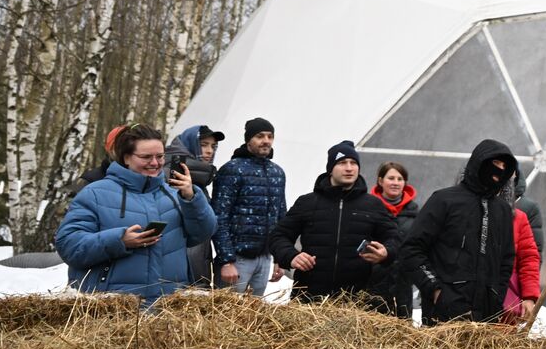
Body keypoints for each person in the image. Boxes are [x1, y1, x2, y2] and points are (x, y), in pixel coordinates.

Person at [54, 123, 217, 304]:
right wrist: (119, 241)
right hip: (113, 307)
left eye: (160, 156)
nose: (155, 163)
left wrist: (192, 198)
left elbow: (203, 233)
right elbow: (69, 245)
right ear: (126, 158)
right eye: (146, 157)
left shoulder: (173, 193)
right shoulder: (94, 194)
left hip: (167, 306)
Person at [402, 139, 518, 324]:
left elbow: (506, 259)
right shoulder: (444, 200)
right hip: (442, 318)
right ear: (479, 162)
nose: (500, 170)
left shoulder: (502, 211)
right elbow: (411, 249)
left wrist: (497, 295)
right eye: (496, 163)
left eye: (505, 166)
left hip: (485, 320)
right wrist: (435, 289)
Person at [268, 141, 398, 303]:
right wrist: (291, 256)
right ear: (330, 169)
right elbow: (278, 236)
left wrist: (386, 252)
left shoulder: (373, 205)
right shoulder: (307, 202)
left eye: (353, 163)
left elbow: (395, 238)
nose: (349, 168)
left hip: (355, 300)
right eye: (342, 163)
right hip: (309, 299)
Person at [211, 117, 286, 296]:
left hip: (265, 257)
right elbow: (219, 216)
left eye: (270, 136)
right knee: (226, 316)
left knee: (253, 318)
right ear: (248, 140)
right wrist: (226, 260)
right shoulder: (232, 169)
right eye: (260, 136)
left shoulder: (277, 172)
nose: (266, 141)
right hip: (237, 259)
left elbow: (281, 217)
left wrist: (281, 257)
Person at [165, 124, 225, 286]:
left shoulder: (200, 180)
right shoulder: (172, 175)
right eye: (203, 145)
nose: (209, 151)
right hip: (177, 273)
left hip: (196, 263)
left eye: (213, 146)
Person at [367, 161, 419, 318]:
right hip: (372, 282)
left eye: (400, 179)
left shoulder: (415, 212)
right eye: (391, 178)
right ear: (380, 181)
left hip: (403, 283)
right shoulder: (367, 208)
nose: (396, 183)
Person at [503, 187, 541, 324]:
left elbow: (529, 259)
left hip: (506, 302)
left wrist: (529, 296)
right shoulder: (465, 212)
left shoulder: (519, 217)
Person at [73, 125, 130, 190]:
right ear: (110, 149)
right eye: (119, 145)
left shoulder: (141, 180)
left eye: (129, 146)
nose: (124, 150)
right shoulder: (89, 180)